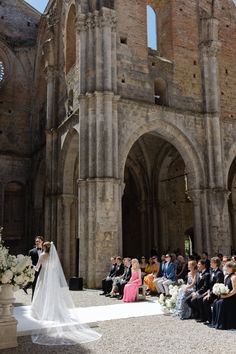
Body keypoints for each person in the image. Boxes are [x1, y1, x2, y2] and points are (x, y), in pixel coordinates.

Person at [30, 241, 101, 345]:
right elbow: (55, 268)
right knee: (53, 294)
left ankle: (40, 312)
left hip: (43, 277)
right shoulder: (54, 257)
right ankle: (53, 311)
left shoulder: (42, 255)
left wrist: (31, 267)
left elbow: (37, 267)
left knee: (41, 293)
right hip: (52, 279)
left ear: (44, 248)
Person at [197, 257, 224, 323]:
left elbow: (217, 286)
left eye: (212, 262)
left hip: (216, 293)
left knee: (205, 300)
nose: (210, 264)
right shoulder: (212, 271)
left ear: (216, 263)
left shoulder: (219, 273)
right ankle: (204, 317)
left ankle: (210, 319)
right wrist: (207, 292)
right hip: (211, 291)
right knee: (200, 298)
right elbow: (210, 285)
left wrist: (209, 294)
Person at [212, 261, 236, 330]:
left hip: (233, 297)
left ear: (231, 268)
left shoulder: (234, 277)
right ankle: (216, 323)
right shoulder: (227, 276)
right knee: (216, 301)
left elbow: (234, 290)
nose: (224, 267)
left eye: (226, 266)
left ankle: (223, 324)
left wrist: (225, 296)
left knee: (221, 303)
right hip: (227, 295)